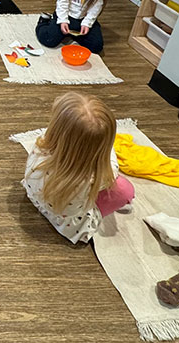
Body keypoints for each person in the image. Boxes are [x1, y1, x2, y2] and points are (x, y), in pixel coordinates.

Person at [21, 93, 134, 244]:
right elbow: (111, 170)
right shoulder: (93, 177)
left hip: (36, 197)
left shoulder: (41, 143)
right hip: (71, 225)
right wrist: (106, 148)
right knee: (124, 189)